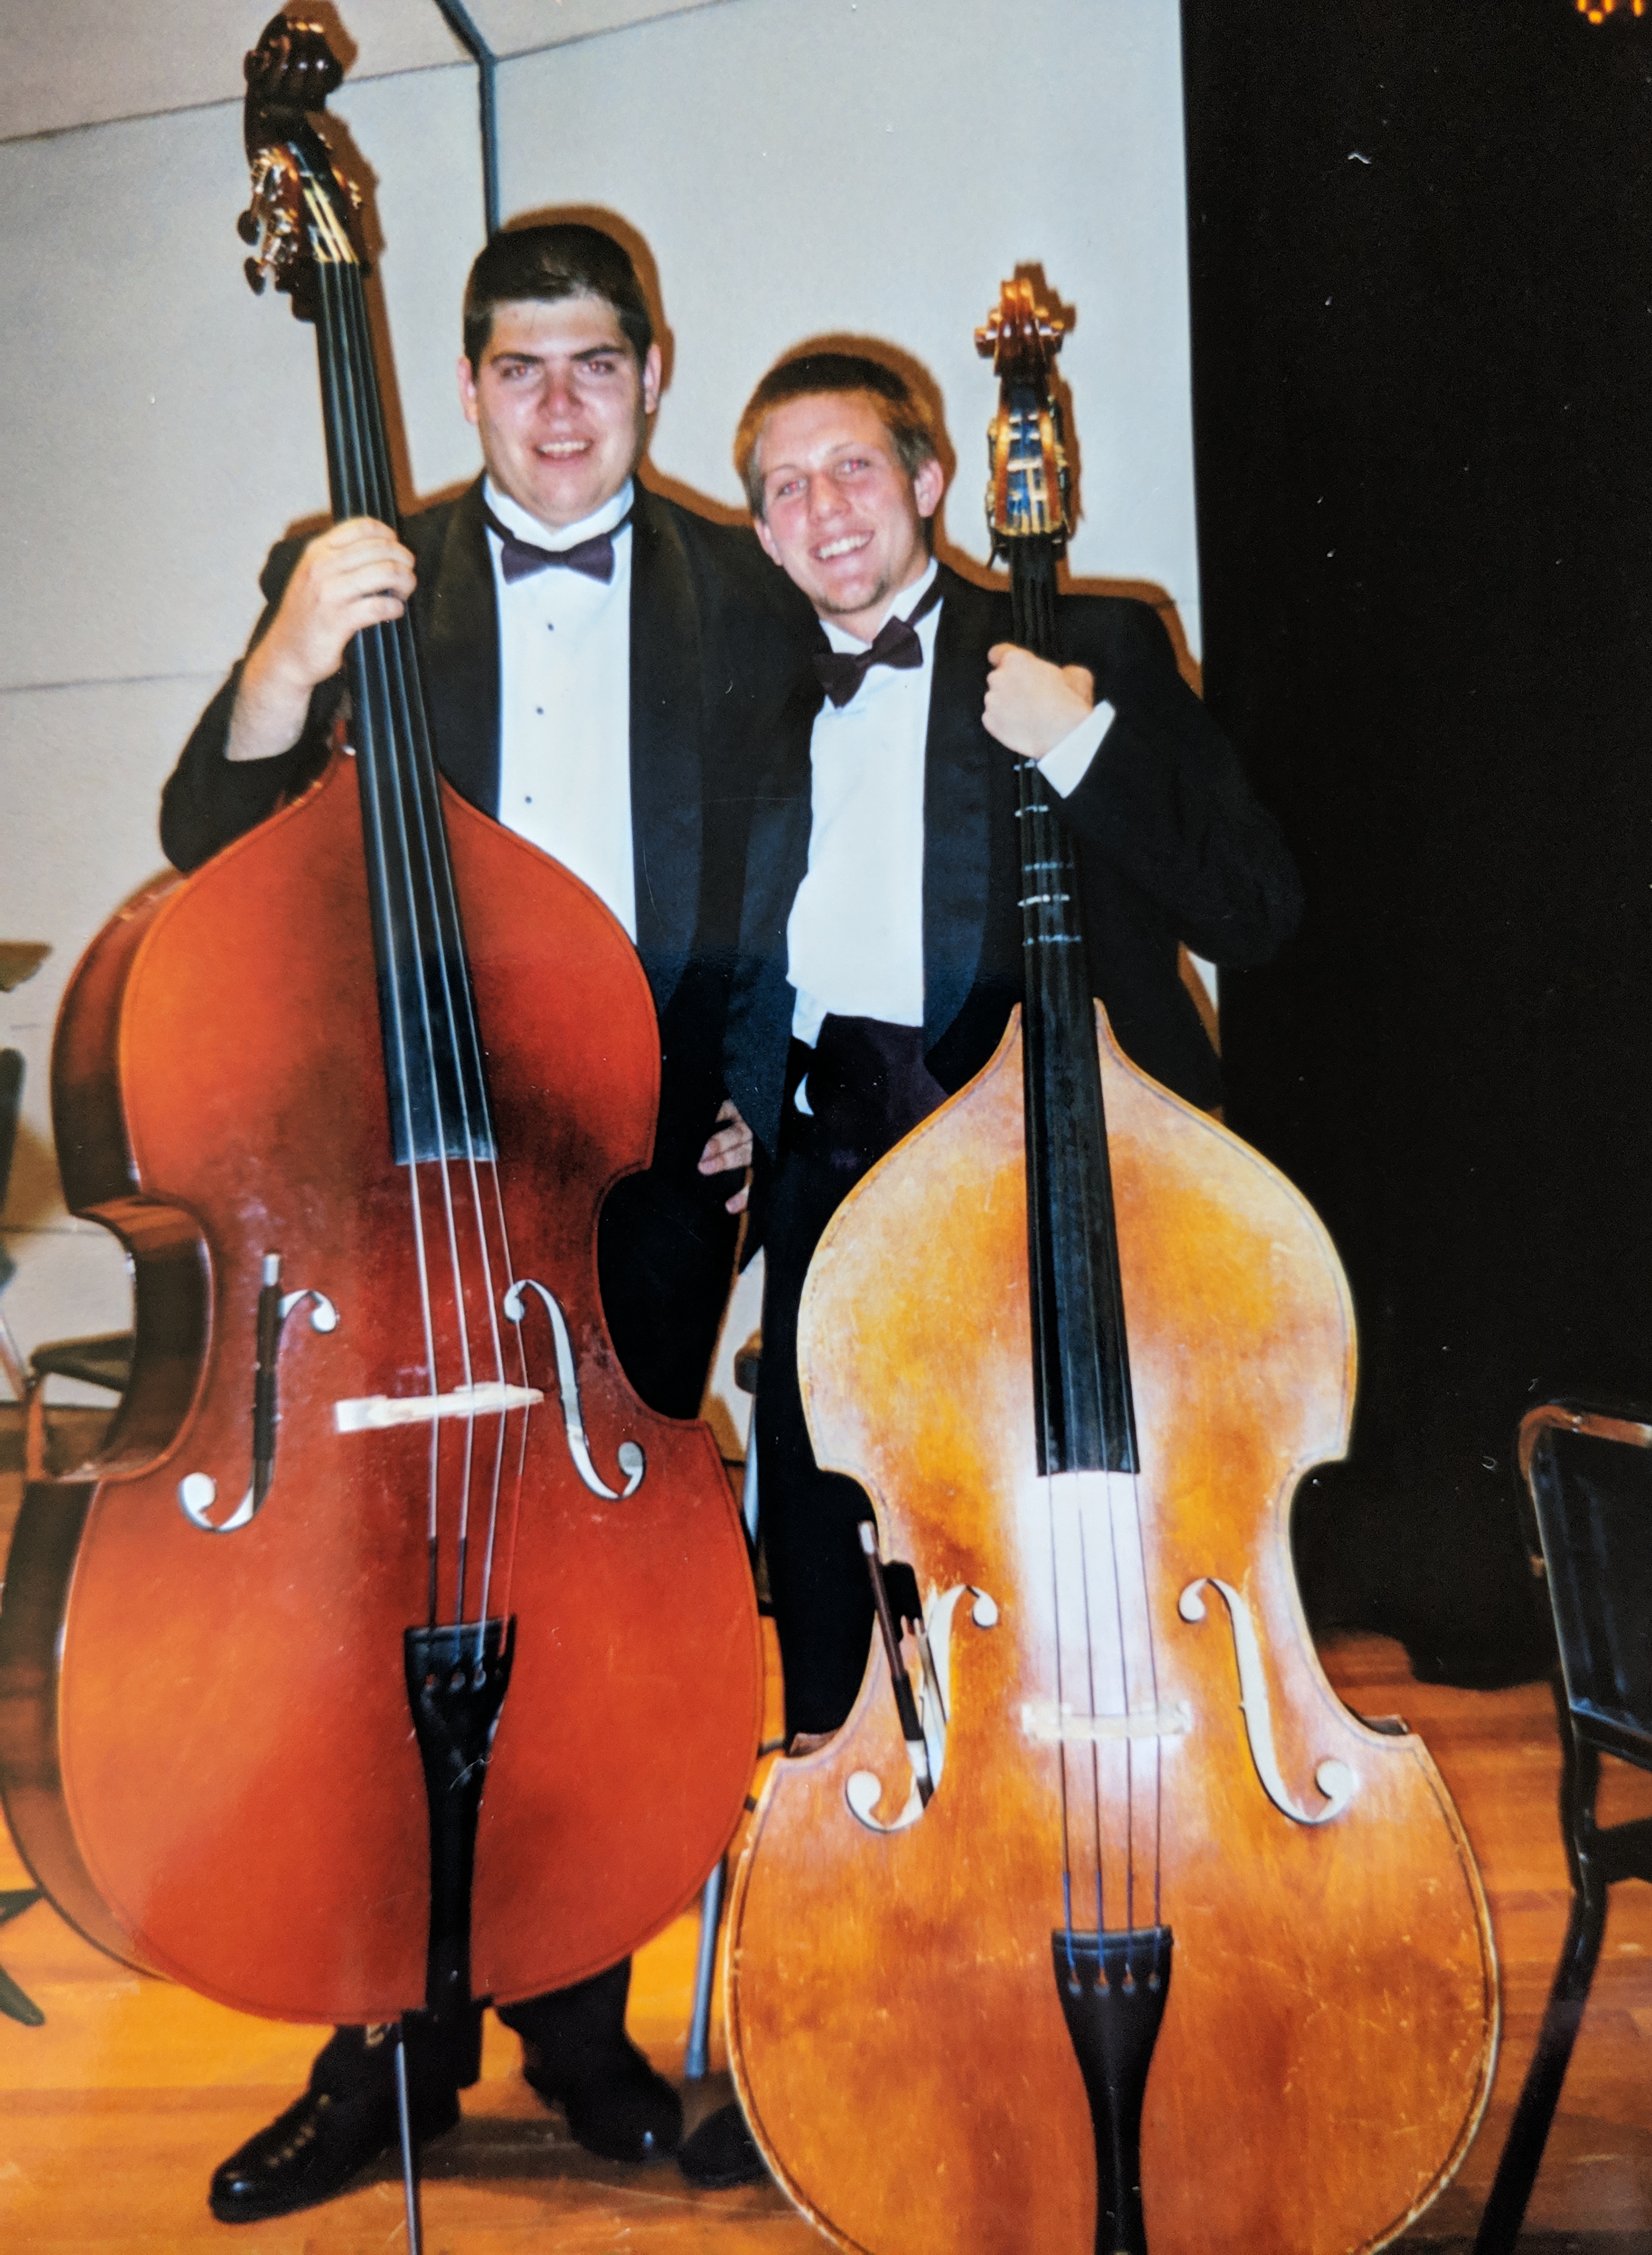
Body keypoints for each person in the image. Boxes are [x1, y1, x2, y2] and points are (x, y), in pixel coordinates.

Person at [161, 223, 809, 2224]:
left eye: (593, 362)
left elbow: (786, 907)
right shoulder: (364, 575)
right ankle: (387, 2043)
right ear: (458, 386)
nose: (555, 400)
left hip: (621, 1182)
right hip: (393, 1197)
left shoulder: (747, 599)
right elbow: (207, 836)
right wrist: (285, 652)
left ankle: (580, 2010)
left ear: (654, 371)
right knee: (380, 1614)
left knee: (592, 1618)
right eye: (517, 364)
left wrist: (750, 1120)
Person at [676, 350, 1304, 2187]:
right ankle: (835, 2006)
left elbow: (1255, 907)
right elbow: (743, 956)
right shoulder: (760, 693)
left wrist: (1087, 743)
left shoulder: (1086, 634)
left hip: (1066, 1194)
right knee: (828, 1598)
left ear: (936, 477)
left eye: (851, 470)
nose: (819, 516)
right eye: (778, 488)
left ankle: (1146, 1957)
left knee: (1079, 1585)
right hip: (834, 1188)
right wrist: (731, 1107)